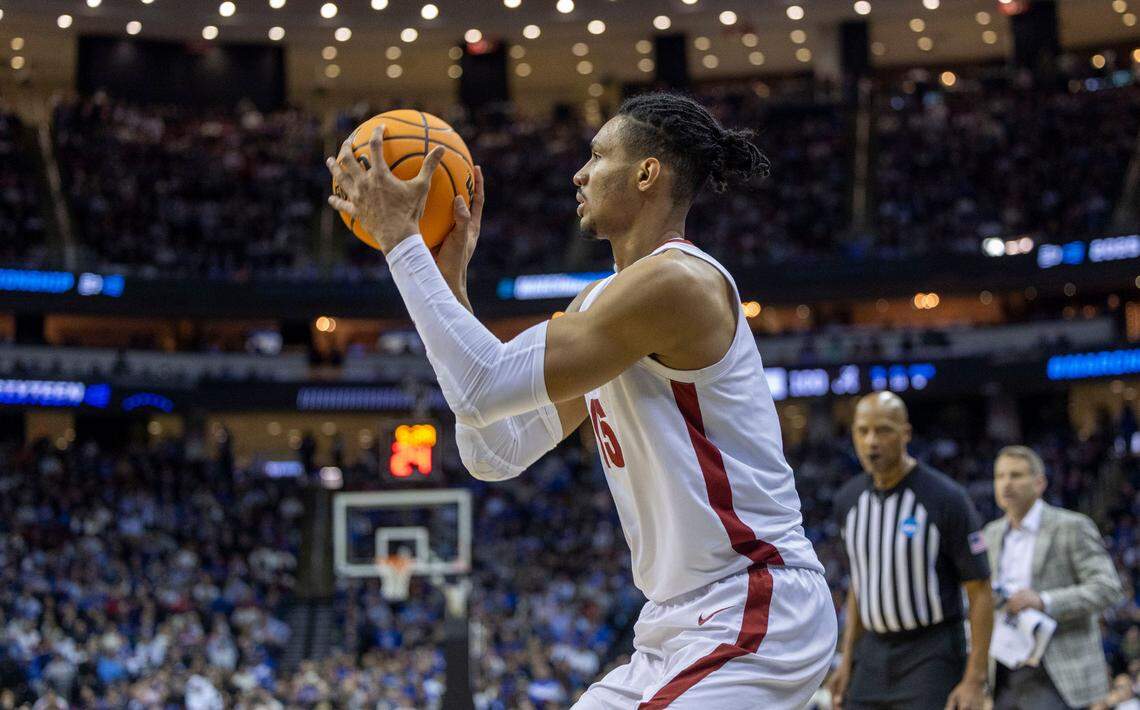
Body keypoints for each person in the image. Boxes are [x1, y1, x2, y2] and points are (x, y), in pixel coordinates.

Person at [327, 92, 836, 707]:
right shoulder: (600, 310)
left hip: (752, 604)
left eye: (598, 155)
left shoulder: (678, 283)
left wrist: (402, 243)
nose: (579, 172)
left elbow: (480, 384)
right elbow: (495, 451)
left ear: (647, 173)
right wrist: (451, 283)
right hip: (675, 625)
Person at [829, 392, 993, 710]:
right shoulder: (847, 501)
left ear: (906, 433)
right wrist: (847, 660)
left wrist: (974, 678)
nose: (871, 441)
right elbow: (859, 585)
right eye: (863, 431)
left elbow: (980, 590)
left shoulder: (946, 498)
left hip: (932, 652)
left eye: (884, 430)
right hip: (872, 653)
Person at [983, 445, 1123, 710]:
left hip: (1057, 670)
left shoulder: (1072, 527)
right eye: (1000, 476)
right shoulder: (990, 534)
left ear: (1039, 483)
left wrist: (1044, 601)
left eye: (1016, 475)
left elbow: (1107, 588)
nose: (1006, 484)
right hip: (1004, 670)